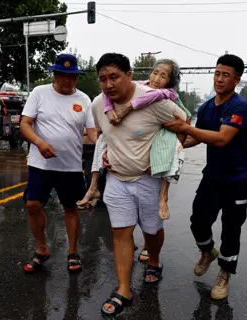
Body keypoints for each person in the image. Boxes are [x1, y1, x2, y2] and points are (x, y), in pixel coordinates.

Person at [92, 53, 187, 317]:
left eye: (114, 77)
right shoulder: (98, 103)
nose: (108, 85)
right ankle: (124, 289)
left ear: (129, 76)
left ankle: (154, 260)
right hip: (117, 181)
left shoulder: (154, 100)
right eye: (103, 79)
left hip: (149, 180)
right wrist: (106, 157)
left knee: (152, 229)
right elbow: (101, 134)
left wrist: (167, 154)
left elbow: (184, 125)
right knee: (121, 233)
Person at [77, 59, 191, 262]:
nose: (156, 79)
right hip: (118, 177)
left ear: (170, 82)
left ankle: (162, 199)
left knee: (152, 228)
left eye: (163, 76)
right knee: (102, 143)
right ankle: (93, 186)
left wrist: (173, 150)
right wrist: (109, 110)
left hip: (158, 148)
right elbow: (105, 117)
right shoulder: (135, 87)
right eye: (155, 73)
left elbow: (182, 123)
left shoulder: (165, 96)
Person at [163, 54, 247, 301]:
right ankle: (207, 251)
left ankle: (225, 273)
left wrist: (186, 128)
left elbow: (223, 138)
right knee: (198, 220)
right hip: (213, 176)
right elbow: (197, 137)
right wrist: (172, 145)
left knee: (231, 229)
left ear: (236, 80)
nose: (220, 79)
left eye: (226, 75)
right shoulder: (205, 108)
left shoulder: (239, 106)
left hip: (238, 179)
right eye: (217, 73)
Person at [20, 53, 97, 273]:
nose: (67, 80)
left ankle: (72, 252)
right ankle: (41, 248)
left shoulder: (83, 99)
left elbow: (91, 131)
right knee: (33, 205)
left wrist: (104, 148)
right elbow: (25, 124)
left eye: (72, 76)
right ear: (54, 74)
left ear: (77, 77)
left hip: (70, 166)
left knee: (71, 208)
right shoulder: (39, 93)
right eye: (62, 75)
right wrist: (39, 142)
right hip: (40, 164)